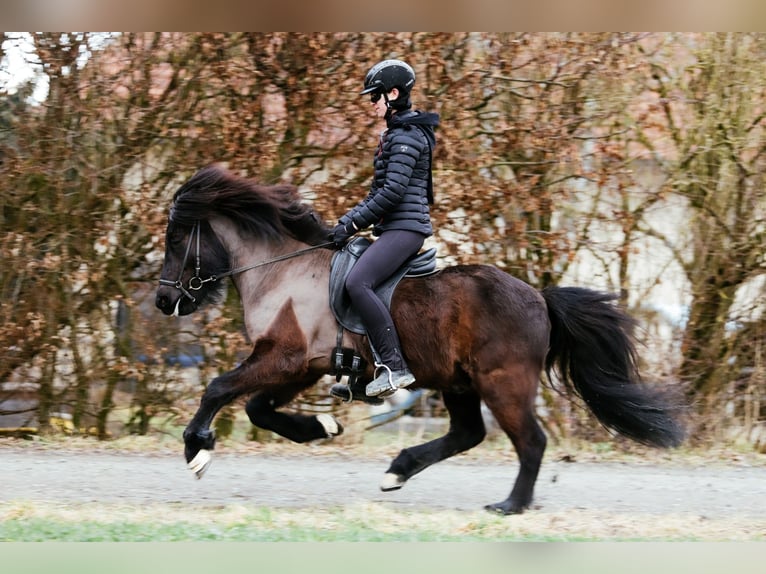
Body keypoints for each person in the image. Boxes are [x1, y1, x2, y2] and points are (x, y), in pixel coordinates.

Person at [330, 58, 440, 399]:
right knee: (349, 269)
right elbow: (378, 192)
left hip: (405, 229)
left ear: (393, 94)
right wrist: (348, 221)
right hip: (393, 226)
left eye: (375, 96)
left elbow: (392, 192)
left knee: (357, 282)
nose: (372, 104)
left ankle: (394, 367)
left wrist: (350, 222)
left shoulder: (406, 137)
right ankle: (361, 373)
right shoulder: (396, 134)